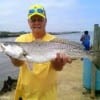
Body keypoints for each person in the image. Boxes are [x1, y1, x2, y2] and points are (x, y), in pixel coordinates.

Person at [10, 4, 72, 100]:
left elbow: (57, 68)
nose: (36, 23)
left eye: (40, 20)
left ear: (45, 21)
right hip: (26, 94)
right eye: (33, 20)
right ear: (28, 22)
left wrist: (59, 63)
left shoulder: (54, 41)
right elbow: (18, 63)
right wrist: (12, 55)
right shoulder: (20, 40)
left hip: (48, 95)